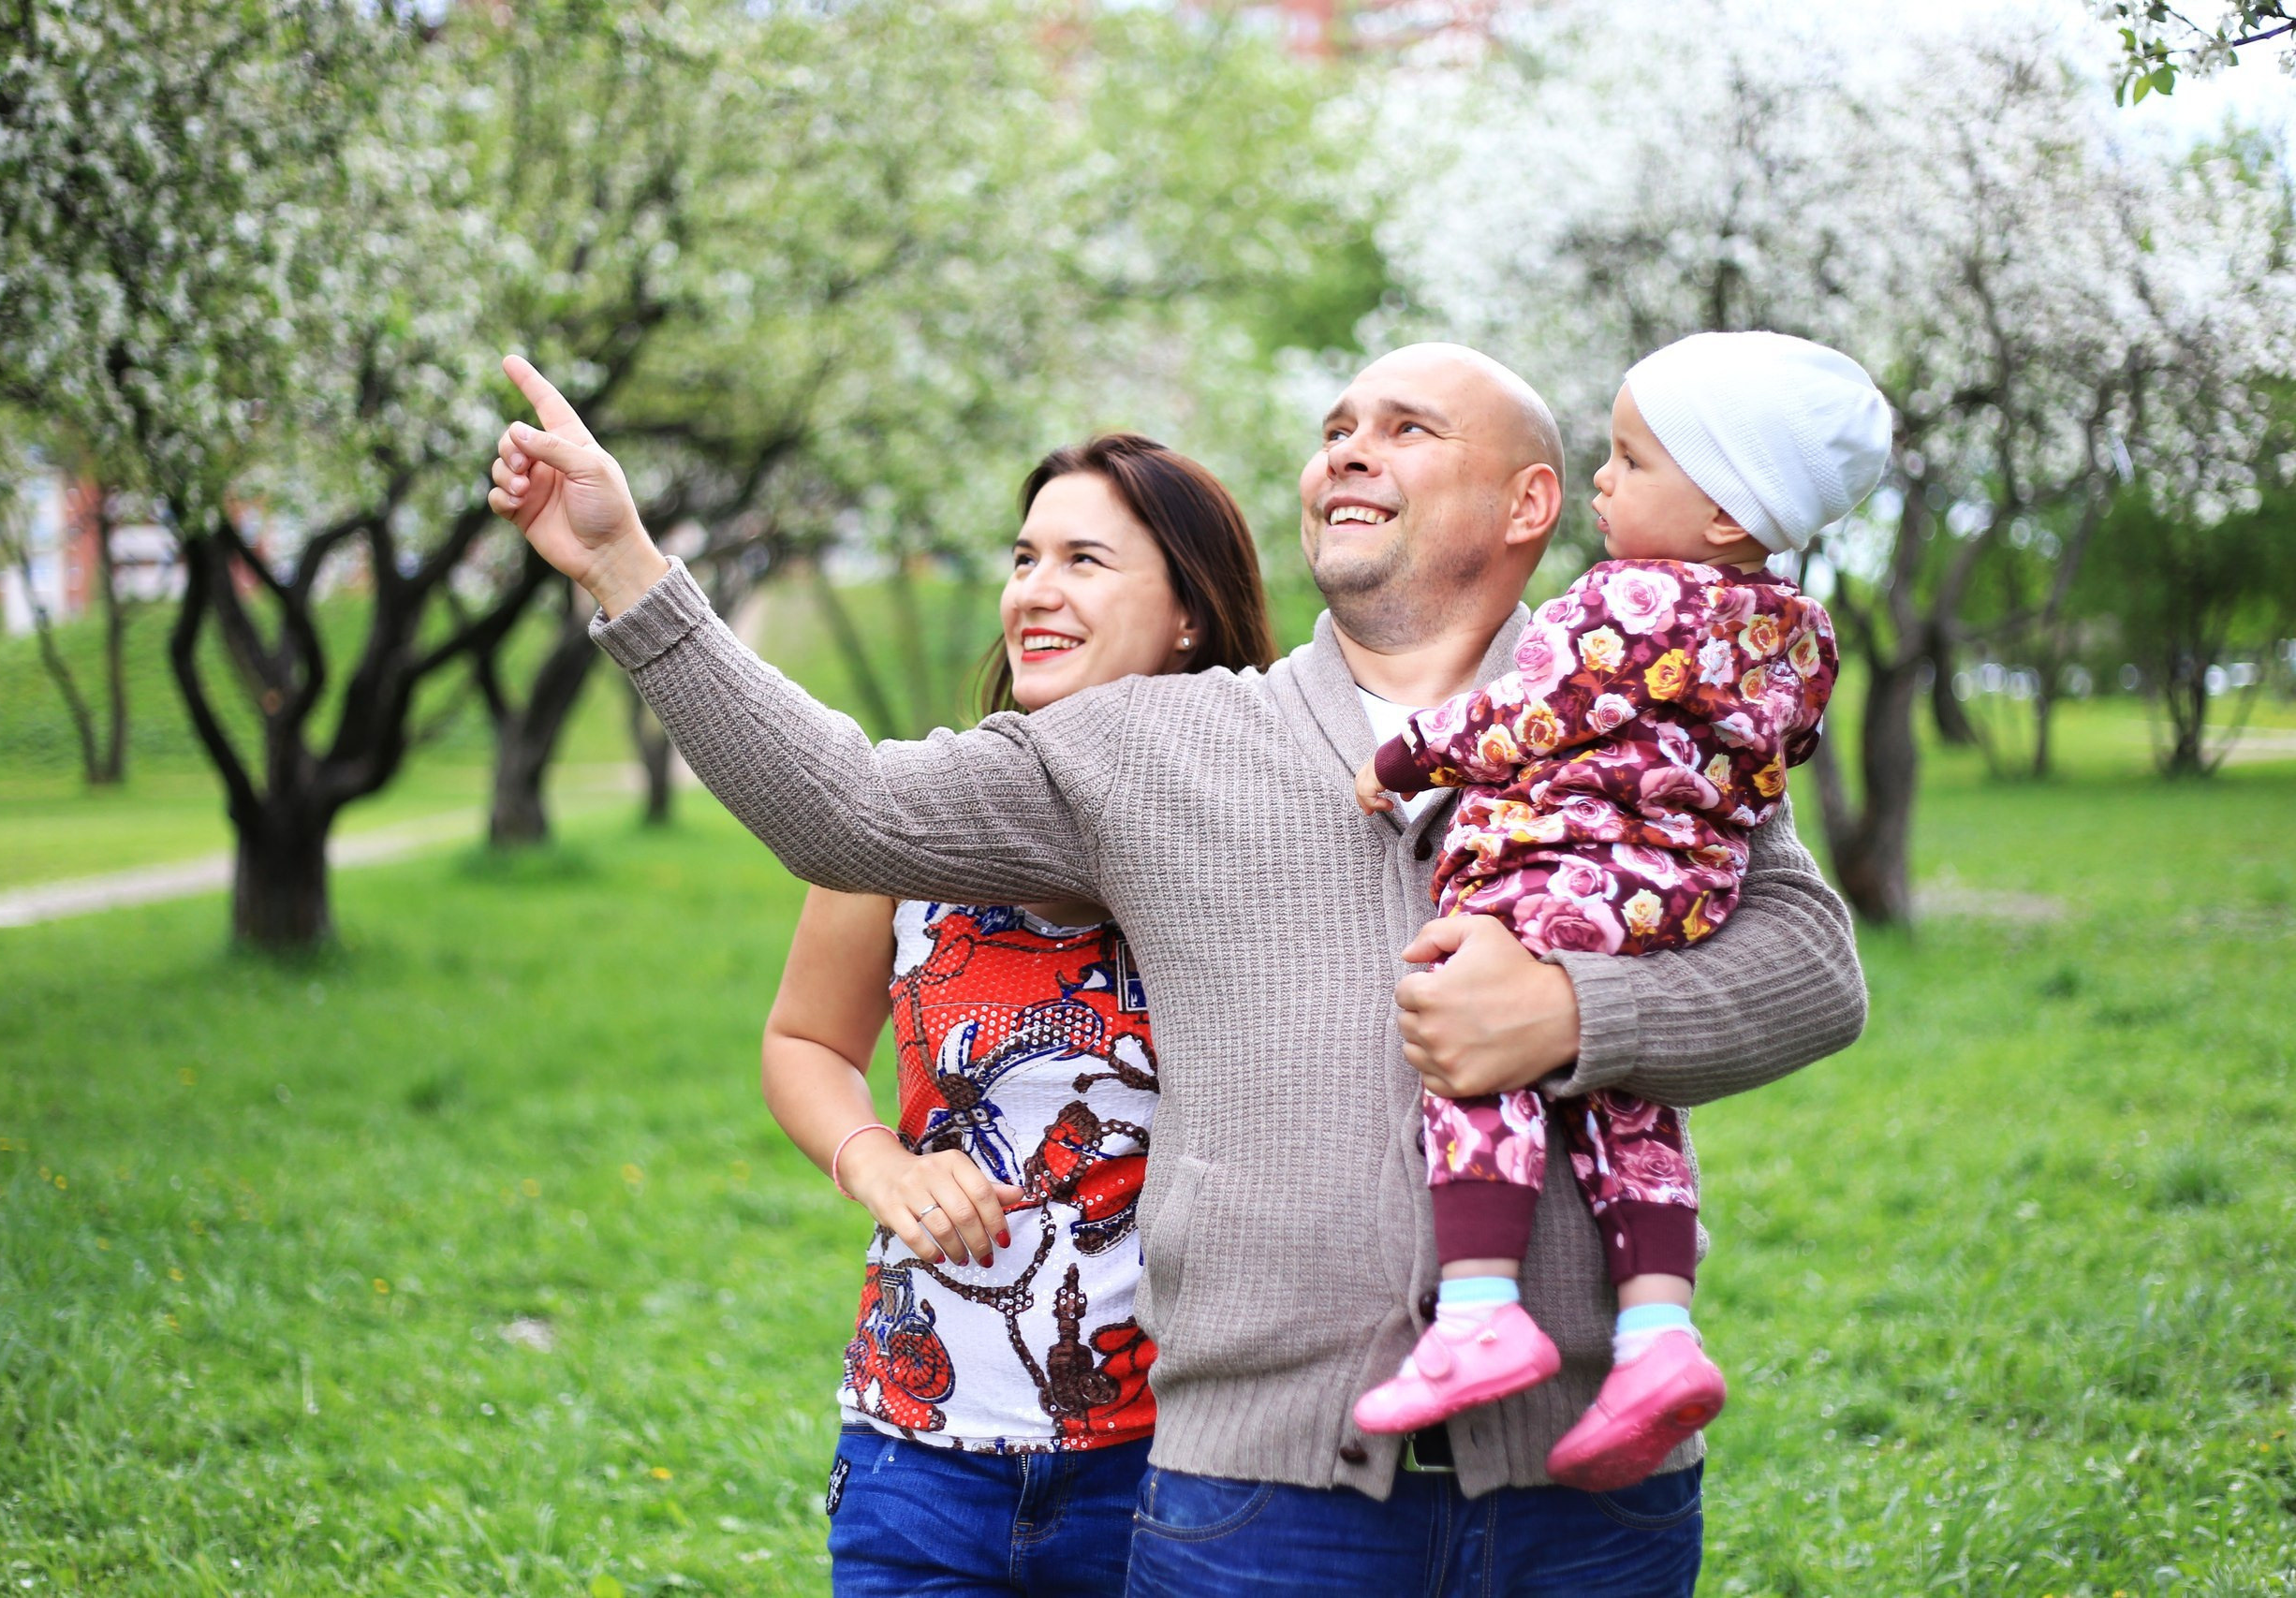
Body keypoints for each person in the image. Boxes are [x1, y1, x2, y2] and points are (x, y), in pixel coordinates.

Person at [486, 342, 1868, 1595]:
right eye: (1335, 426)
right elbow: (841, 808)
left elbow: (1814, 967)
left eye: (1405, 425)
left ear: (1528, 503)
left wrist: (1577, 1009)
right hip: (1262, 1502)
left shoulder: (1637, 709)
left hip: (1592, 1495)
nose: (1347, 448)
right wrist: (624, 568)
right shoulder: (1150, 742)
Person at [1347, 332, 1890, 1495]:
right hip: (1679, 893)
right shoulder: (1800, 633)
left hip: (1563, 871)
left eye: (1631, 461)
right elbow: (1767, 770)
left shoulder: (1630, 599)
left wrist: (1408, 755)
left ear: (1726, 513)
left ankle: (1480, 1309)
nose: (1602, 480)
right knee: (1618, 1092)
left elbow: (1531, 716)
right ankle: (1656, 1336)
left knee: (1473, 1040)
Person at [754, 434, 1277, 1595]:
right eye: (1025, 555)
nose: (1035, 591)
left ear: (1190, 613)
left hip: (1176, 1461)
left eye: (1085, 559)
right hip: (919, 1455)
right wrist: (876, 1163)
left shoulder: (1258, 843)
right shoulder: (899, 821)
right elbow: (806, 1043)